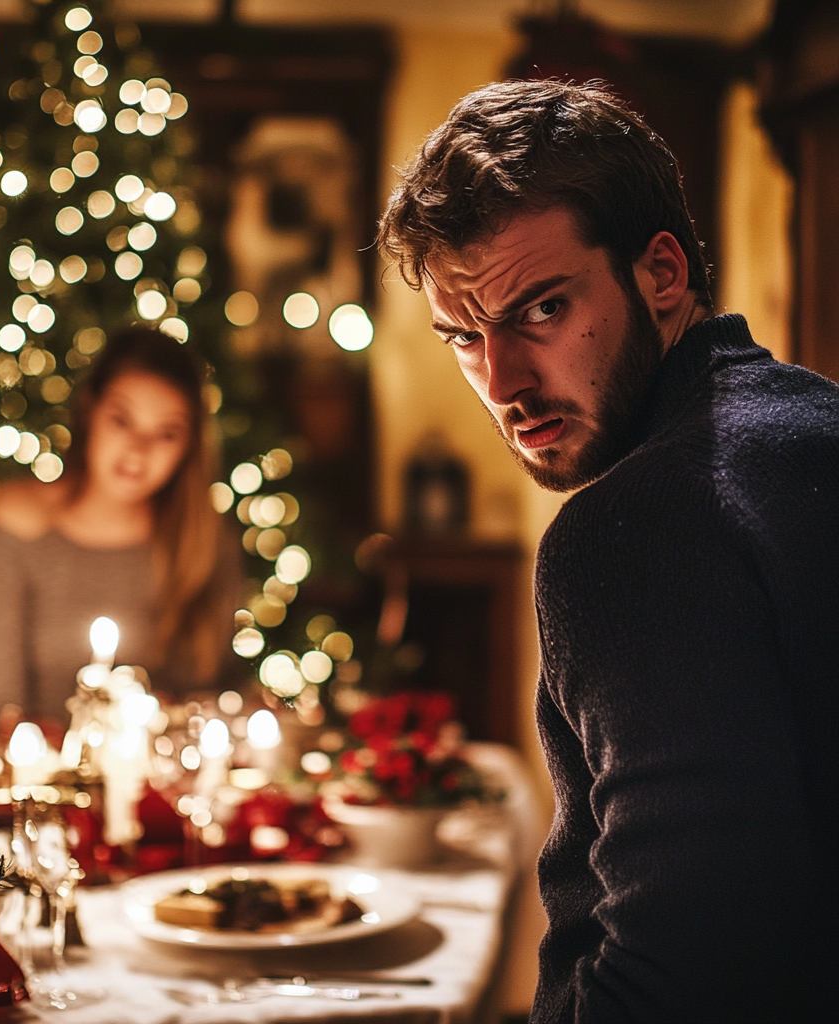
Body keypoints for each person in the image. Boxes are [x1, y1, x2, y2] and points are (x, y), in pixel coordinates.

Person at [378, 80, 837, 1022]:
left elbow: (686, 976)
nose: (503, 382)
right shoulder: (818, 428)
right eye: (466, 336)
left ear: (661, 271)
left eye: (541, 309)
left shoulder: (627, 531)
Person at [0, 327, 237, 726]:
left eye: (167, 433)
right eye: (122, 420)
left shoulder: (203, 540)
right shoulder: (16, 524)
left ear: (189, 445)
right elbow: (0, 708)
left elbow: (208, 701)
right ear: (90, 411)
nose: (139, 450)